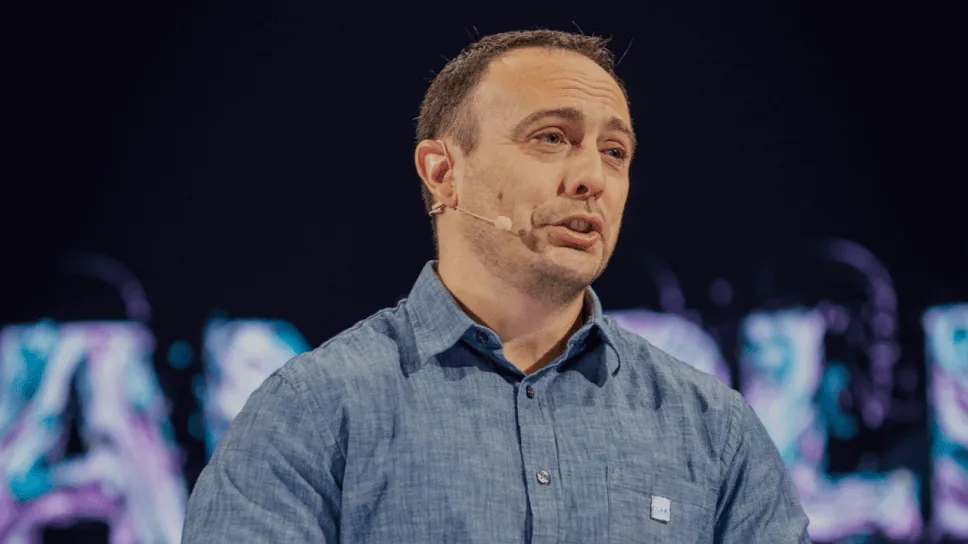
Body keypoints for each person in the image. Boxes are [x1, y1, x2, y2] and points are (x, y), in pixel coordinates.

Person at [181, 29, 810, 543]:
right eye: (552, 138)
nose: (592, 175)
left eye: (615, 151)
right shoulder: (313, 411)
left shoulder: (712, 428)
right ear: (443, 173)